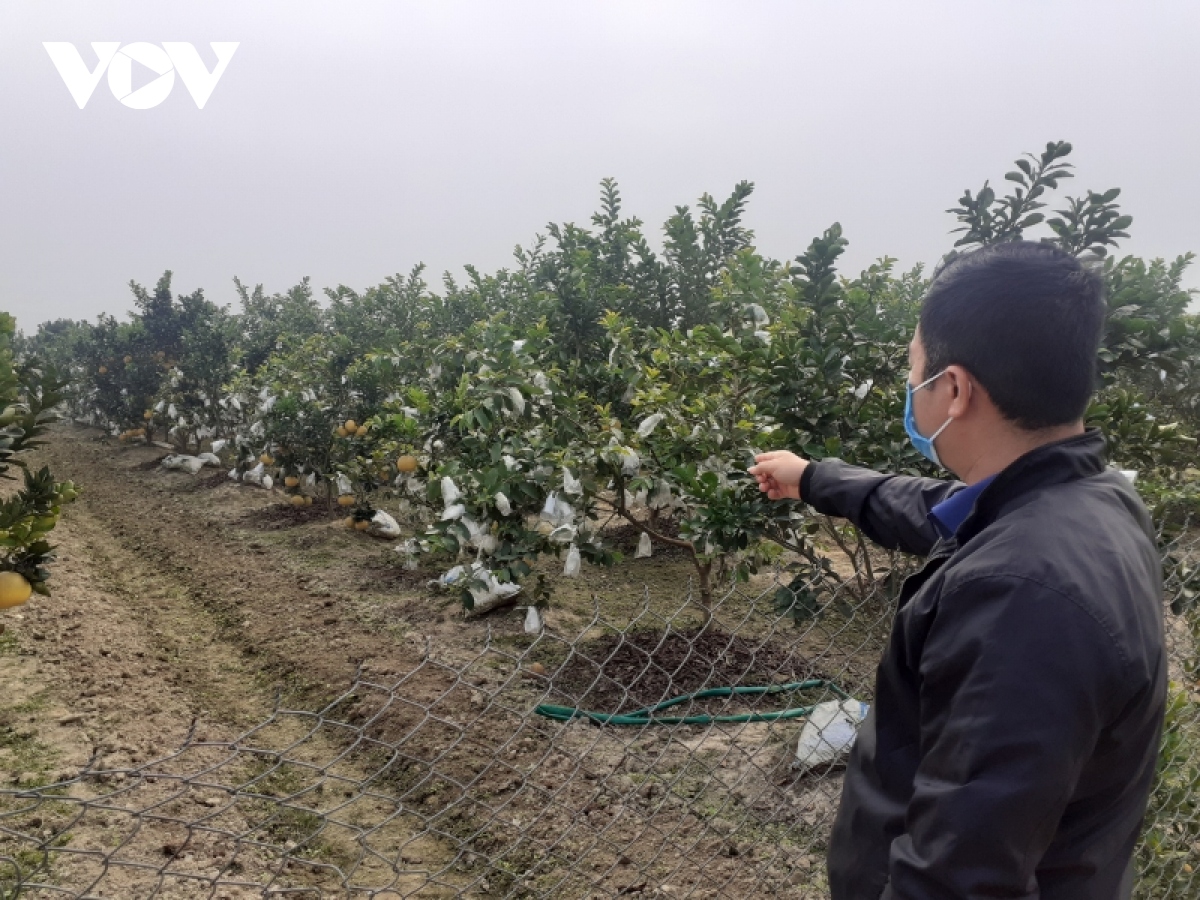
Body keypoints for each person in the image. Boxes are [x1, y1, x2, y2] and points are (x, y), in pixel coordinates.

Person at [748, 240, 1166, 900]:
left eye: (913, 369)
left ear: (954, 389)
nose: (909, 386)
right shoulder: (1087, 500)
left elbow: (961, 877)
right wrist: (813, 479)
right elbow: (934, 509)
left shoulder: (1019, 596)